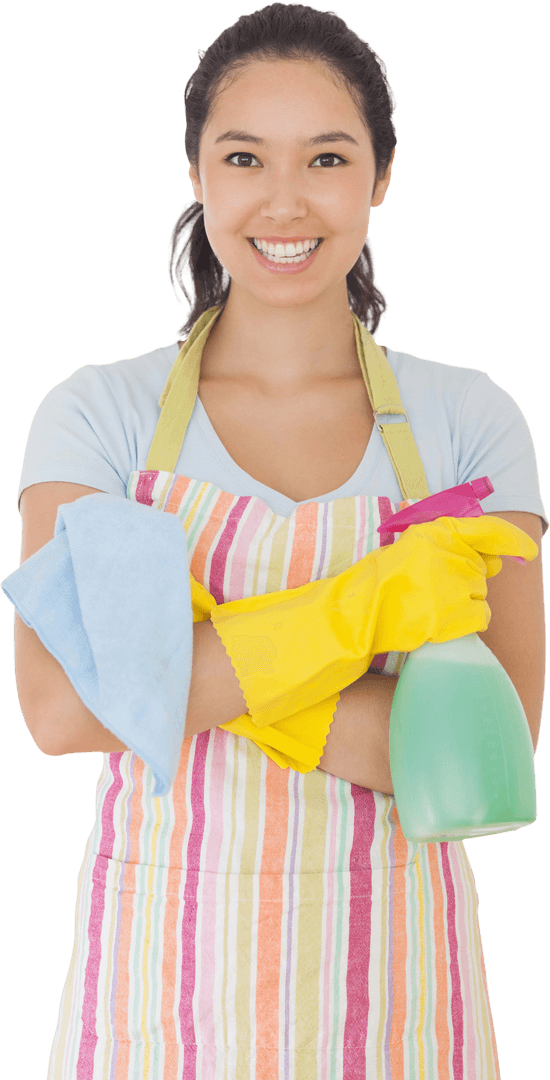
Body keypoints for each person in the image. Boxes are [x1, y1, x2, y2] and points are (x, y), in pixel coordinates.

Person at [12, 4, 546, 1077]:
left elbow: (493, 757)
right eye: (244, 156)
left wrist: (186, 665)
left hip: (395, 995)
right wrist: (355, 616)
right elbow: (67, 713)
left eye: (329, 156)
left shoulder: (468, 421)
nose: (284, 199)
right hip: (157, 994)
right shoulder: (101, 415)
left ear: (380, 175)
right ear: (198, 175)